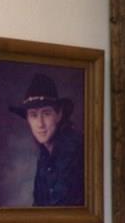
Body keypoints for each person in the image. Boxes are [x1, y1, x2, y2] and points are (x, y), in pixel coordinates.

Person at [8, 70, 86, 207]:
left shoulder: (77, 150)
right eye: (33, 115)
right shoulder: (44, 155)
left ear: (59, 114)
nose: (40, 124)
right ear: (27, 119)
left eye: (46, 113)